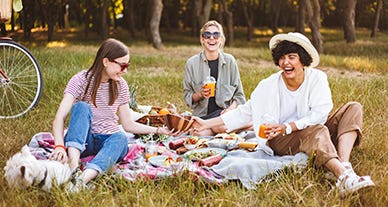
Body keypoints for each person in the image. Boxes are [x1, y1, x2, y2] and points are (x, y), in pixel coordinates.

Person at [192, 32, 374, 194]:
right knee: (317, 131)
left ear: (303, 60)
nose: (285, 62)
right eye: (282, 58)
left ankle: (344, 166)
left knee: (353, 107)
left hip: (306, 130)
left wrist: (288, 127)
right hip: (279, 139)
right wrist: (206, 124)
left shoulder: (317, 78)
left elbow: (321, 113)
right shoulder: (268, 85)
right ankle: (343, 176)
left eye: (292, 57)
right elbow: (244, 112)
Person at [49, 38, 175, 191]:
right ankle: (73, 168)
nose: (125, 71)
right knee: (81, 107)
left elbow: (127, 125)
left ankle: (82, 180)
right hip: (83, 142)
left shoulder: (121, 85)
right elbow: (59, 118)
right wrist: (59, 146)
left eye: (127, 66)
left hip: (108, 142)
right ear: (106, 61)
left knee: (120, 138)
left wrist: (157, 130)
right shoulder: (80, 80)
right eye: (122, 66)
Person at [183, 20, 249, 136]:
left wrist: (230, 110)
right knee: (196, 134)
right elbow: (188, 96)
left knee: (221, 126)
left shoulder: (230, 61)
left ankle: (246, 125)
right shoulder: (191, 63)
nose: (211, 38)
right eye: (207, 35)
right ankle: (241, 127)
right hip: (203, 117)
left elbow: (239, 96)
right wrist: (200, 94)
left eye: (216, 34)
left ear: (221, 39)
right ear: (202, 39)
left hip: (224, 116)